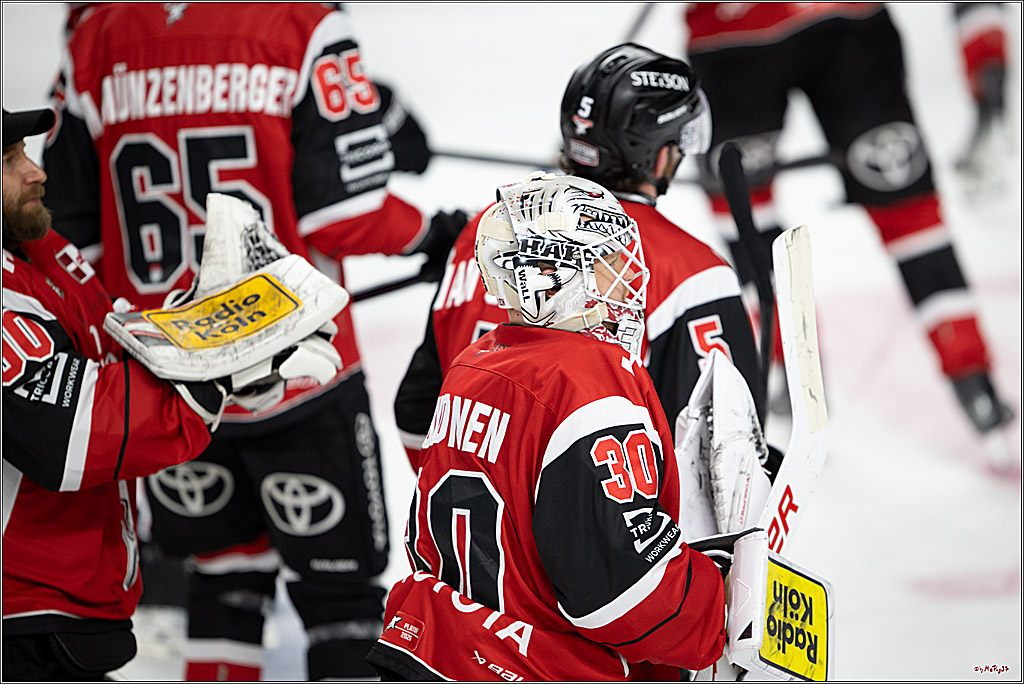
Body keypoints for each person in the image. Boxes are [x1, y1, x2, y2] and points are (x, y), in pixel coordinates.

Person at [42, 3, 465, 680]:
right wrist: (438, 233)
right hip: (299, 369)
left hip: (168, 384)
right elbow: (345, 217)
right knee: (341, 599)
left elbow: (70, 228)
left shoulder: (98, 34)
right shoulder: (300, 21)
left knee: (222, 584)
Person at [367, 173, 742, 680]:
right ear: (554, 278)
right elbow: (617, 591)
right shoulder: (589, 381)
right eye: (608, 261)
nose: (629, 279)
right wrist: (717, 606)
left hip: (439, 651)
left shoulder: (471, 365)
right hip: (538, 665)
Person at [1, 106, 311, 681]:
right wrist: (214, 369)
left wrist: (228, 334)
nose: (35, 172)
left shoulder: (41, 253)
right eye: (9, 159)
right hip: (18, 618)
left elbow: (117, 349)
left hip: (61, 608)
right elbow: (71, 431)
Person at [395, 43, 765, 472]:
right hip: (607, 530)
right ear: (660, 153)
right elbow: (723, 457)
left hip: (470, 528)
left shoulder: (481, 237)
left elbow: (416, 412)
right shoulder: (692, 270)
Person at [680, 2, 1014, 465]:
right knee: (909, 212)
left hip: (736, 41)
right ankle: (976, 387)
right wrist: (985, 57)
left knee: (747, 215)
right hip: (844, 30)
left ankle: (796, 387)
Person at [952, 1, 1012, 195]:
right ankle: (983, 166)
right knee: (987, 106)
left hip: (981, 24)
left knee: (992, 107)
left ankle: (992, 166)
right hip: (974, 25)